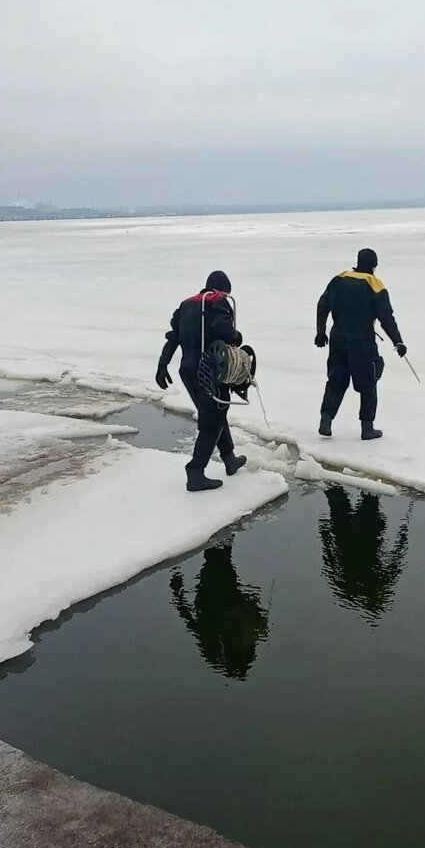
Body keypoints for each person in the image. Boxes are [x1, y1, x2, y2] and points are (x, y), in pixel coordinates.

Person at [156, 270, 248, 491]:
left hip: (187, 370)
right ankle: (195, 472)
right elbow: (224, 331)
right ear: (222, 289)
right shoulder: (219, 302)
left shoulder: (186, 305)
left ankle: (229, 458)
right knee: (212, 421)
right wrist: (237, 337)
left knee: (216, 412)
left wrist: (162, 364)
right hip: (209, 372)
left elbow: (173, 337)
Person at [315, 248, 406, 440]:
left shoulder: (339, 279)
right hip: (362, 342)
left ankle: (326, 419)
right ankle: (367, 428)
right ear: (374, 266)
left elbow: (322, 305)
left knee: (336, 381)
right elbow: (386, 318)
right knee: (368, 383)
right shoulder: (375, 285)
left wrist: (321, 332)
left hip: (338, 339)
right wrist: (398, 341)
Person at [169, 540, 270, 680]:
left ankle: (220, 535)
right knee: (219, 559)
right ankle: (221, 535)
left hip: (216, 594)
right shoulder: (217, 650)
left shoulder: (214, 649)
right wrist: (179, 596)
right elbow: (192, 624)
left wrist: (178, 593)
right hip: (221, 594)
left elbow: (193, 624)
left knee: (218, 560)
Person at [318, 486, 410, 625]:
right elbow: (395, 563)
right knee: (362, 498)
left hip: (353, 536)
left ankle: (334, 477)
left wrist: (402, 539)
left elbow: (331, 561)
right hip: (362, 534)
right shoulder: (350, 590)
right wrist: (402, 539)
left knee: (341, 496)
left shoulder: (350, 590)